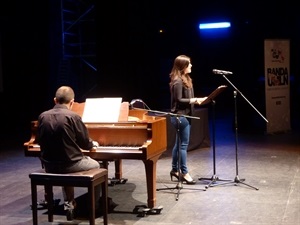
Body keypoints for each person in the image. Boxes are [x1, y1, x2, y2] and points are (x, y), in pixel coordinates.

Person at [37, 86, 103, 220]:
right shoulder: (73, 116)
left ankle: (69, 204)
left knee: (64, 163)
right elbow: (85, 143)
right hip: (71, 164)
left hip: (49, 165)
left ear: (55, 100)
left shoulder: (42, 116)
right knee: (98, 165)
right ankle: (94, 206)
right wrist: (93, 144)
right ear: (72, 102)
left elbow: (40, 141)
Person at [169, 55, 207, 185]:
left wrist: (198, 99)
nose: (191, 66)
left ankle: (174, 170)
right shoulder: (178, 81)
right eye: (189, 64)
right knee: (183, 145)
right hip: (180, 117)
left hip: (186, 115)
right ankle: (184, 172)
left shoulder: (186, 79)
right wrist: (194, 100)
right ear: (183, 66)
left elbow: (188, 99)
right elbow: (179, 100)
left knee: (178, 144)